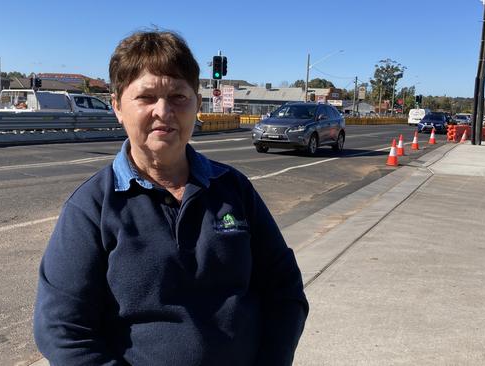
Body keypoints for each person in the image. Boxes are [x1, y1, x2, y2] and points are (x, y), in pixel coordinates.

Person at [33, 30, 308, 365]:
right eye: (146, 97)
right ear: (118, 107)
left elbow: (285, 289)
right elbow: (62, 331)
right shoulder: (92, 208)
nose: (164, 111)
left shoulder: (233, 189)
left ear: (196, 104)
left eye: (179, 96)